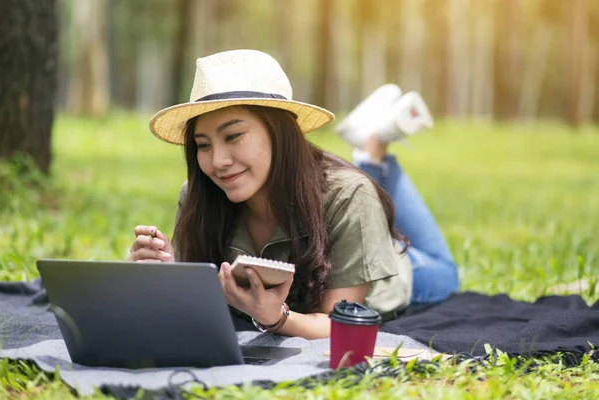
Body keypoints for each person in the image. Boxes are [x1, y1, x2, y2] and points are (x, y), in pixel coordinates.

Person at [128, 49, 459, 339]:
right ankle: (370, 152)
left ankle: (374, 148)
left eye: (233, 136)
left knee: (446, 272)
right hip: (341, 210)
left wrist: (276, 319)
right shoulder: (198, 196)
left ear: (279, 131)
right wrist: (166, 273)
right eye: (203, 145)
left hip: (402, 269)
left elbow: (340, 324)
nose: (217, 162)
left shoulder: (351, 197)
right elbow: (199, 300)